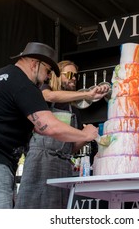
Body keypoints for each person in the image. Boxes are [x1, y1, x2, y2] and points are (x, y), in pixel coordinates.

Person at [0, 42, 99, 209]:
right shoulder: (23, 84)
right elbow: (49, 126)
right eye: (47, 71)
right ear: (35, 64)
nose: (48, 77)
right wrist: (86, 135)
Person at [15, 60, 110, 209]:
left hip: (64, 163)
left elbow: (71, 148)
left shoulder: (75, 111)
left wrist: (86, 137)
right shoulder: (45, 91)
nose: (73, 78)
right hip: (41, 159)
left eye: (76, 76)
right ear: (56, 75)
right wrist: (86, 94)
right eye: (70, 74)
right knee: (32, 206)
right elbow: (49, 96)